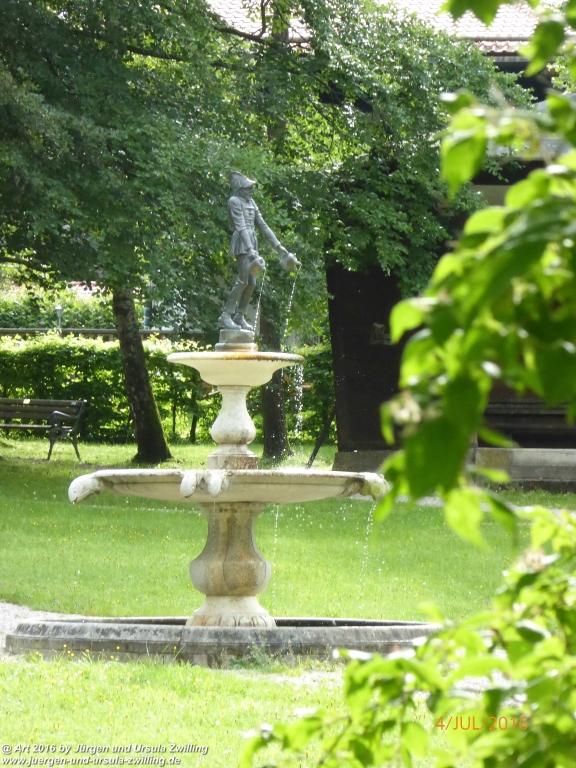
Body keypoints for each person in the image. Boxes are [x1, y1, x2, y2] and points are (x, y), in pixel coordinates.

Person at [218, 172, 300, 331]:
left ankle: (239, 316)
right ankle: (225, 316)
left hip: (252, 241)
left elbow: (263, 226)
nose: (250, 191)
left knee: (252, 282)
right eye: (248, 188)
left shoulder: (251, 202)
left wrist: (279, 248)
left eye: (251, 188)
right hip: (242, 242)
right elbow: (240, 226)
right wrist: (250, 250)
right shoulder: (234, 201)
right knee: (242, 280)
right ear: (240, 189)